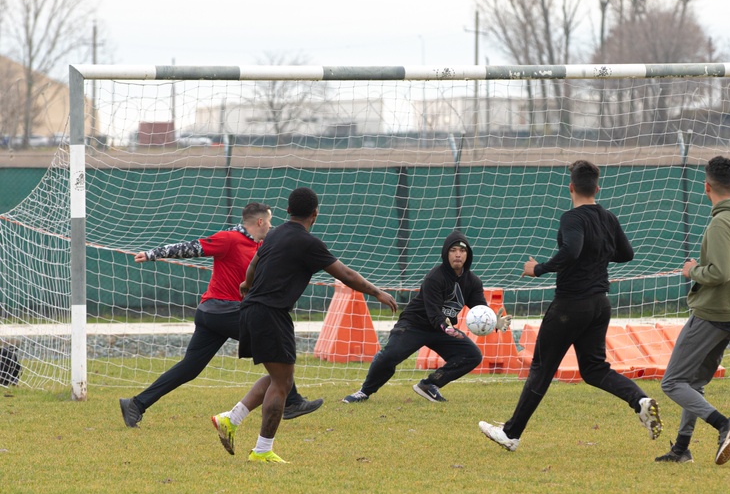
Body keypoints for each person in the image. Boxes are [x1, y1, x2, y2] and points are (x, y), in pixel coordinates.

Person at [478, 159, 662, 452]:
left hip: (570, 306)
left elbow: (572, 250)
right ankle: (639, 400)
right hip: (600, 304)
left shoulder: (571, 218)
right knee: (594, 369)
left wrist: (538, 268)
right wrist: (597, 254)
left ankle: (511, 434)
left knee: (541, 367)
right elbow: (626, 253)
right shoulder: (608, 217)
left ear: (571, 187)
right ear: (597, 188)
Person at [211, 187, 397, 463]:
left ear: (287, 211)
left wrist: (246, 285)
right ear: (315, 213)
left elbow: (253, 264)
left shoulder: (274, 234)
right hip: (271, 313)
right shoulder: (309, 243)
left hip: (251, 310)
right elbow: (345, 274)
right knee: (283, 383)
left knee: (279, 376)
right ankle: (262, 450)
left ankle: (231, 418)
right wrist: (377, 292)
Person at [118, 202, 323, 428]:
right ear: (260, 222)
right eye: (270, 221)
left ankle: (135, 404)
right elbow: (192, 247)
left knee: (190, 368)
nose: (271, 226)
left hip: (214, 315)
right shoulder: (230, 238)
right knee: (272, 342)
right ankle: (292, 401)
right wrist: (152, 254)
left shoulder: (261, 245)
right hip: (222, 311)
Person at [657, 156, 730, 466]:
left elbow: (719, 273)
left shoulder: (722, 221)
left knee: (672, 382)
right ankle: (681, 450)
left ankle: (724, 424)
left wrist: (693, 271)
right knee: (693, 383)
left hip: (712, 313)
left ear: (706, 187)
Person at [342, 231, 512, 404]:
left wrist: (493, 322)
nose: (458, 254)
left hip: (442, 329)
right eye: (453, 250)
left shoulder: (473, 282)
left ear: (468, 255)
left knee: (472, 355)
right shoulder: (435, 277)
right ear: (446, 254)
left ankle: (430, 384)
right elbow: (433, 313)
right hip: (415, 324)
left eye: (462, 251)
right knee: (389, 356)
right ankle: (364, 392)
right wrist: (445, 326)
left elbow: (480, 309)